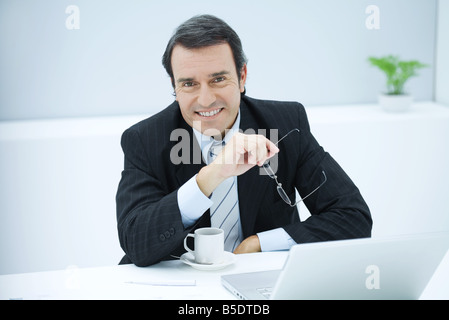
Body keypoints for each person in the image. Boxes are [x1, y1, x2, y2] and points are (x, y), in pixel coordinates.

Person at [116, 14, 372, 267]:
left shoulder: (285, 125)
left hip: (260, 283)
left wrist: (260, 243)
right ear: (174, 86)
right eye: (189, 84)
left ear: (242, 76)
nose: (205, 100)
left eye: (218, 79)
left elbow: (353, 218)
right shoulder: (144, 139)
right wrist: (210, 177)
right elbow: (136, 243)